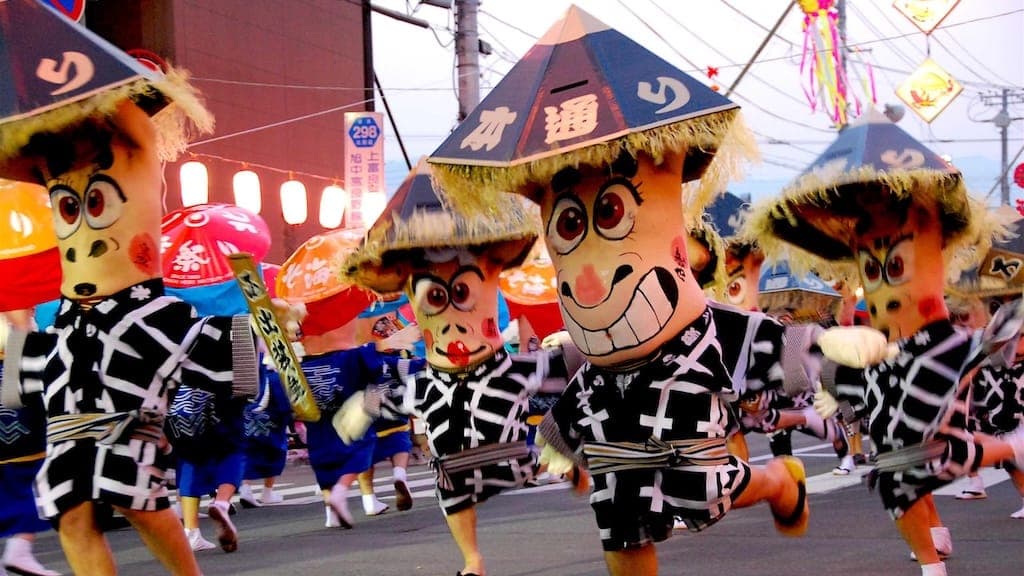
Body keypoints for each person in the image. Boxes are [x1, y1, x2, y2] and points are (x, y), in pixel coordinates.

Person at [425, 8, 889, 575]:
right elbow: (576, 376)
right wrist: (559, 439)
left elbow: (769, 342)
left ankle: (775, 482)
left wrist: (830, 349)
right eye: (568, 226)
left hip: (686, 402)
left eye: (611, 213)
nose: (590, 274)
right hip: (613, 426)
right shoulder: (585, 340)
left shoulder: (703, 326)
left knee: (702, 491)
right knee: (619, 526)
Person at [0, 20, 300, 574]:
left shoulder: (132, 148)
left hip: (137, 312)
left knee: (135, 499)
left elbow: (132, 107)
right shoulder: (49, 163)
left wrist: (88, 66)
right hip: (71, 327)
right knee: (70, 511)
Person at [749, 108, 1024, 576]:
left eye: (892, 268)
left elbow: (990, 340)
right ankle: (932, 562)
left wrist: (999, 331)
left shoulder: (953, 339)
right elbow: (811, 360)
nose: (884, 285)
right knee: (893, 473)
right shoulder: (863, 339)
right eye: (873, 270)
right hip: (884, 355)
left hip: (937, 354)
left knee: (930, 452)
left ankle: (1011, 449)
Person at [339, 159, 555, 576]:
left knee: (526, 447)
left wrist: (563, 446)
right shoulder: (427, 381)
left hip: (503, 419)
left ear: (493, 267)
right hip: (446, 413)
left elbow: (557, 375)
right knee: (450, 484)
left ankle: (546, 463)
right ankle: (472, 559)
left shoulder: (509, 366)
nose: (452, 311)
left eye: (459, 291)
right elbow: (403, 392)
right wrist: (363, 407)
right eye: (436, 297)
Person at [1, 314, 61, 576]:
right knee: (28, 476)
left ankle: (18, 551)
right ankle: (19, 549)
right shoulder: (14, 291)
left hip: (13, 356)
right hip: (12, 357)